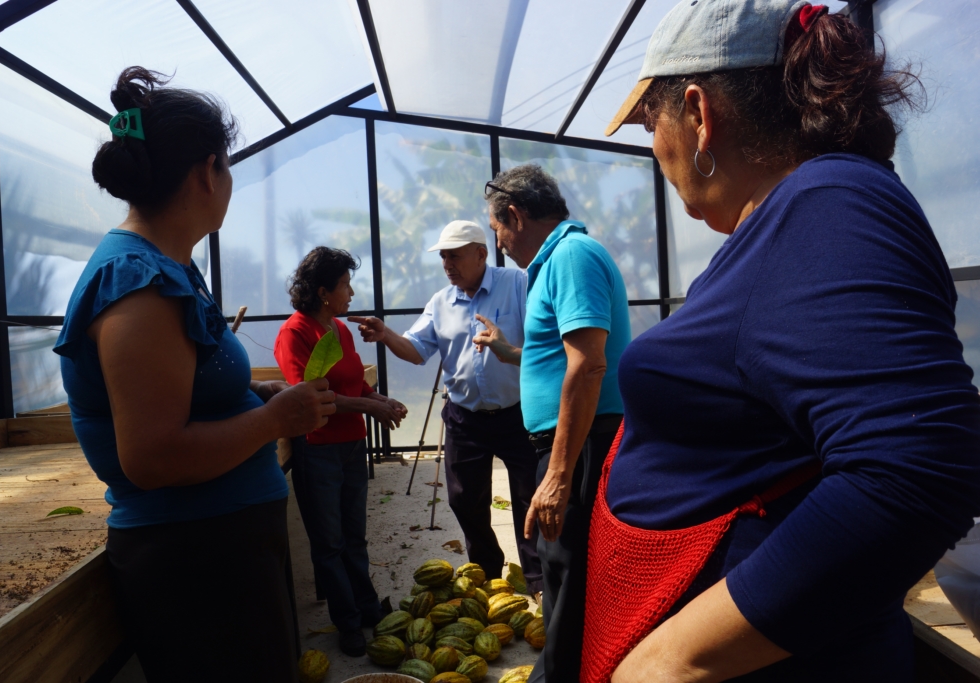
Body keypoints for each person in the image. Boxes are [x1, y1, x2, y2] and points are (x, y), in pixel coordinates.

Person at [582, 2, 980, 682]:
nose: (652, 146)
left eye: (651, 120)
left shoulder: (830, 201)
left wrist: (673, 659)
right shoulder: (792, 217)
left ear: (700, 113)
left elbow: (918, 466)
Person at [54, 68, 336, 683]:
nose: (230, 184)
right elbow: (151, 456)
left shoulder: (169, 267)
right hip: (196, 556)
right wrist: (271, 421)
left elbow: (190, 391)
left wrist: (252, 395)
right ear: (207, 171)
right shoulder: (137, 283)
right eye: (229, 168)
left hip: (221, 541)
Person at [474, 166, 631, 683]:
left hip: (581, 442)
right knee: (565, 569)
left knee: (566, 573)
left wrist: (559, 473)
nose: (499, 245)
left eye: (497, 232)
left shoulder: (571, 256)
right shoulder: (560, 260)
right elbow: (560, 357)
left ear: (515, 216)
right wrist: (507, 350)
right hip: (574, 440)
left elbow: (588, 365)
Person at [349, 220, 544, 596]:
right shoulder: (441, 302)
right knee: (464, 500)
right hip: (464, 419)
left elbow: (544, 338)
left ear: (481, 254)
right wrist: (386, 333)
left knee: (527, 497)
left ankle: (536, 579)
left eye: (454, 256)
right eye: (443, 257)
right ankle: (486, 569)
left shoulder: (517, 284)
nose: (447, 264)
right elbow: (417, 350)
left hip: (517, 414)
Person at [273, 246, 407, 657]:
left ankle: (367, 609)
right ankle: (347, 622)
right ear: (323, 291)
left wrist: (379, 397)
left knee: (354, 538)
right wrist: (370, 407)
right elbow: (309, 396)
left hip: (352, 445)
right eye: (345, 285)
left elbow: (352, 383)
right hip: (319, 449)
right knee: (328, 543)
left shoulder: (339, 330)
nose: (351, 292)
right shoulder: (295, 333)